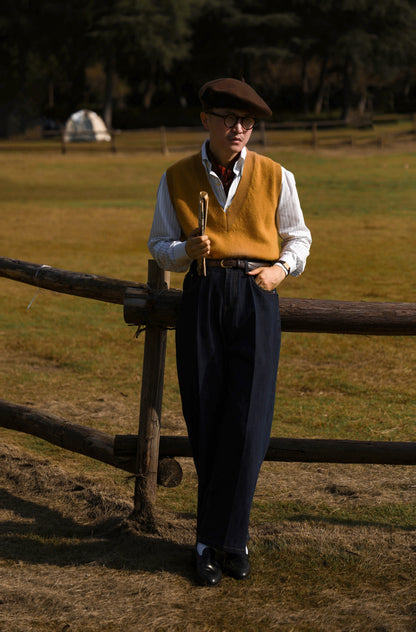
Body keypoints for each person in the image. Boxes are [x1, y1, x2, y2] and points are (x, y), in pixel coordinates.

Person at [148, 77, 311, 586]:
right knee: (206, 416)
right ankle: (213, 542)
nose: (237, 129)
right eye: (227, 119)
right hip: (201, 293)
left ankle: (226, 540)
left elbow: (299, 236)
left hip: (256, 295)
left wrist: (280, 271)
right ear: (206, 121)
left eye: (246, 122)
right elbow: (159, 243)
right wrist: (183, 253)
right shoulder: (176, 176)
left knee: (249, 420)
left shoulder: (277, 175)